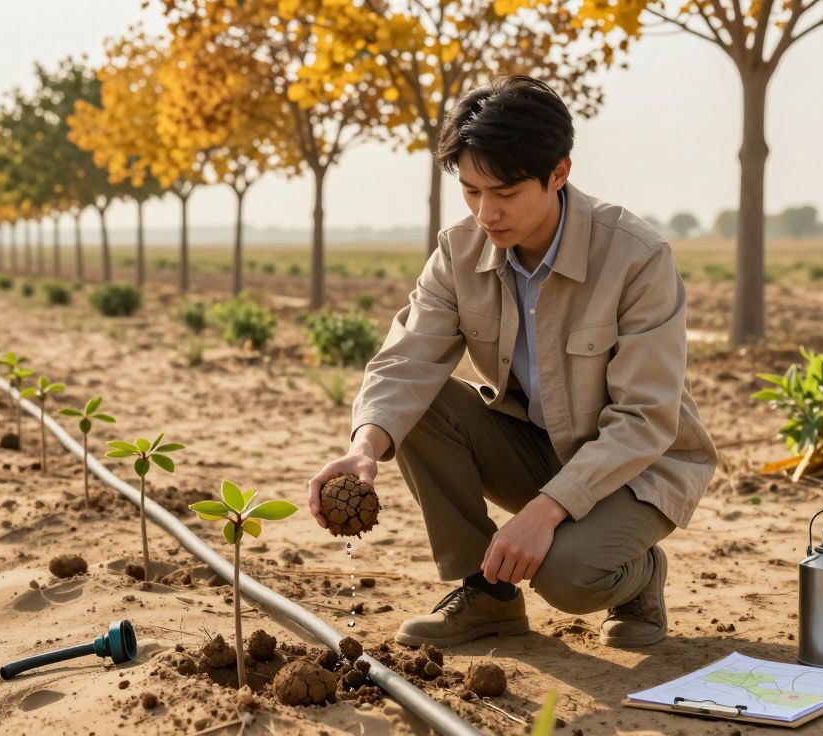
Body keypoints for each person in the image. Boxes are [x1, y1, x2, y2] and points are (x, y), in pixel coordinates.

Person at [307, 75, 717, 649]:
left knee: (567, 575)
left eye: (504, 192)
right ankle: (487, 598)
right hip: (537, 447)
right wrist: (363, 449)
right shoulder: (459, 250)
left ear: (559, 173)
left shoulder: (636, 257)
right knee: (418, 407)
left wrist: (545, 513)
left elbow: (645, 419)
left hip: (639, 467)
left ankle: (640, 575)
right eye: (471, 191)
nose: (486, 213)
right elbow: (406, 360)